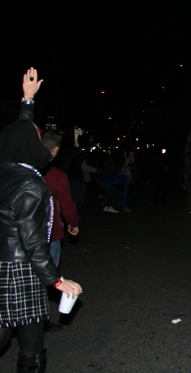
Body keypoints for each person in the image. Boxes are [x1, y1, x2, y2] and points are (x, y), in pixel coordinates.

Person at [0, 68, 82, 372]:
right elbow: (33, 242)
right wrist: (56, 280)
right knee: (25, 341)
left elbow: (18, 133)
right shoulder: (31, 185)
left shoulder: (6, 171)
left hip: (4, 263)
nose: (40, 141)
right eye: (36, 137)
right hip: (20, 269)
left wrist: (28, 100)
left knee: (23, 333)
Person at [40, 131, 80, 268]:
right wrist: (73, 223)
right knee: (50, 273)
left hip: (24, 234)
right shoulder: (57, 176)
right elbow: (66, 205)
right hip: (50, 233)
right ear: (56, 150)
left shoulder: (21, 171)